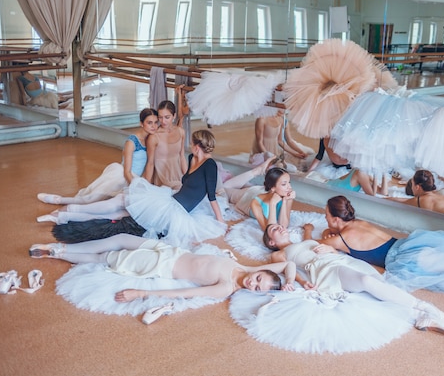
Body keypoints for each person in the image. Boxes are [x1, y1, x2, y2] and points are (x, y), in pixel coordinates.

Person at [263, 223, 444, 336]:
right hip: (328, 269)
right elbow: (290, 267)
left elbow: (312, 241)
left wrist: (324, 243)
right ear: (271, 242)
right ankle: (425, 307)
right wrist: (303, 282)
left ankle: (419, 316)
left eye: (278, 225)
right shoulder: (279, 254)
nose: (279, 227)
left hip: (340, 259)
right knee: (367, 283)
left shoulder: (301, 242)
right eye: (273, 229)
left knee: (379, 287)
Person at [28, 233, 296, 301]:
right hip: (170, 250)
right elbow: (289, 263)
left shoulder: (226, 288)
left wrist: (142, 293)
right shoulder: (242, 267)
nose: (253, 283)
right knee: (119, 239)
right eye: (259, 278)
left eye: (257, 288)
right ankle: (60, 246)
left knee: (106, 258)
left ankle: (58, 252)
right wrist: (293, 281)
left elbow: (185, 294)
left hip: (159, 265)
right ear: (260, 272)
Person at [36, 108, 159, 223]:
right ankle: (57, 200)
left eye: (155, 122)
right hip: (122, 176)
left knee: (104, 204)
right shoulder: (131, 142)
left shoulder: (150, 139)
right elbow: (127, 170)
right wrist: (134, 185)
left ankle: (65, 212)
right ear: (141, 124)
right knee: (91, 198)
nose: (153, 126)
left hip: (135, 179)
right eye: (149, 123)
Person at [125, 129, 227, 246]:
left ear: (197, 147)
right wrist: (193, 162)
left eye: (192, 143)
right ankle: (100, 217)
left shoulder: (210, 165)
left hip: (178, 211)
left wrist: (221, 223)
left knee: (135, 222)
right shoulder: (192, 158)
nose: (190, 145)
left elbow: (211, 196)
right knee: (129, 205)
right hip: (171, 199)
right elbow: (186, 180)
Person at [221, 161, 295, 230]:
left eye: (289, 182)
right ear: (273, 188)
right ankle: (256, 172)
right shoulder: (256, 202)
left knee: (239, 185)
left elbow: (284, 225)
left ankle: (246, 183)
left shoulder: (287, 197)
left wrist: (285, 201)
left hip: (262, 191)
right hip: (248, 197)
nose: (289, 187)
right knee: (224, 188)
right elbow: (268, 229)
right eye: (284, 184)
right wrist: (272, 204)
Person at [143, 100, 187, 191]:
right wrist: (146, 186)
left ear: (174, 116)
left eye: (167, 117)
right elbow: (150, 163)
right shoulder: (154, 137)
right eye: (160, 117)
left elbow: (182, 157)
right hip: (162, 179)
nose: (163, 121)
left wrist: (188, 178)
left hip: (178, 175)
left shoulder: (181, 131)